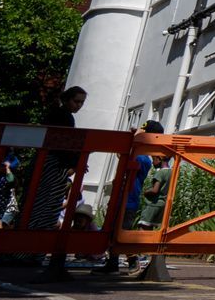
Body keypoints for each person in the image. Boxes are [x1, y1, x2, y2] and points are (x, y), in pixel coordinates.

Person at [29, 85, 86, 282]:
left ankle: (30, 250)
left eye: (81, 102)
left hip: (48, 163)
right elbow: (65, 142)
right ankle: (34, 251)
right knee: (48, 206)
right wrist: (74, 162)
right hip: (55, 165)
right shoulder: (64, 117)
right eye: (76, 101)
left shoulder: (54, 114)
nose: (78, 106)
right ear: (67, 99)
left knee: (39, 205)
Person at [95, 120, 161, 274]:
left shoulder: (143, 157)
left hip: (128, 201)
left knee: (121, 233)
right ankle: (112, 264)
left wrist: (136, 136)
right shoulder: (138, 154)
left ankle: (133, 260)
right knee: (112, 233)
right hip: (121, 199)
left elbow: (122, 154)